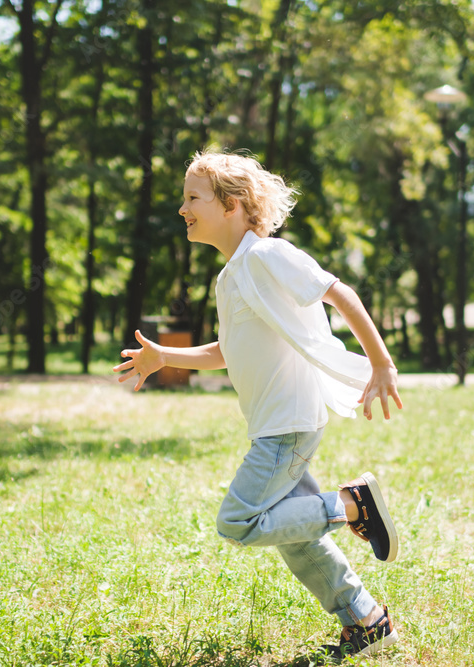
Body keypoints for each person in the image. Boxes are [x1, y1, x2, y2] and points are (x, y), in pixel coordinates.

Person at [114, 150, 404, 660]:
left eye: (192, 197)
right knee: (296, 536)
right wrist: (164, 357)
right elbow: (226, 350)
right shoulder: (232, 276)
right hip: (276, 423)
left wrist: (380, 363)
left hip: (286, 426)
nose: (182, 208)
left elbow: (340, 293)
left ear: (232, 204)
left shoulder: (268, 255)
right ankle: (366, 617)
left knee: (239, 521)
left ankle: (353, 505)